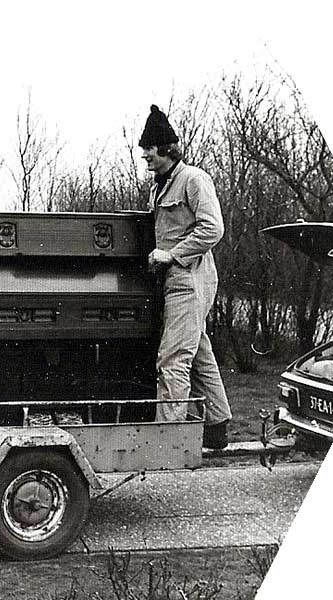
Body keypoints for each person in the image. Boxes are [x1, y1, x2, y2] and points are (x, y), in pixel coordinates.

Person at [138, 105, 232, 450]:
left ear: (165, 148)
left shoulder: (193, 179)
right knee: (198, 349)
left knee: (173, 357)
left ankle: (170, 441)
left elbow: (213, 228)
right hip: (175, 279)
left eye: (148, 148)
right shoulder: (160, 186)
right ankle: (217, 426)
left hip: (189, 277)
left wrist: (172, 254)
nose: (145, 155)